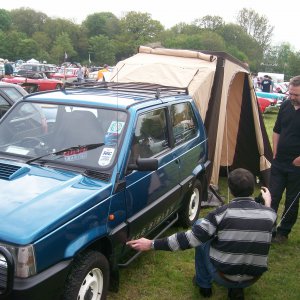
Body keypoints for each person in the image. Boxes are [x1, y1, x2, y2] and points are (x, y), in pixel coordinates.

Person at [127, 168, 276, 299]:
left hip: (223, 276)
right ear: (252, 189)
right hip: (253, 277)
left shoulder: (220, 214)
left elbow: (188, 239)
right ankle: (236, 290)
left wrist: (151, 244)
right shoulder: (270, 215)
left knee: (200, 230)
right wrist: (268, 204)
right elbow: (271, 231)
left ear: (230, 190)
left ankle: (204, 284)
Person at [270, 75, 300, 243]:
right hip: (279, 161)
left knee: (292, 199)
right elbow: (276, 129)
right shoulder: (286, 105)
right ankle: (270, 228)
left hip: (297, 166)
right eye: (291, 93)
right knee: (273, 196)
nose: (292, 97)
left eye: (296, 95)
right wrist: (275, 150)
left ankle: (283, 232)